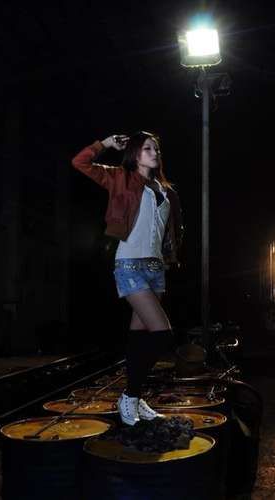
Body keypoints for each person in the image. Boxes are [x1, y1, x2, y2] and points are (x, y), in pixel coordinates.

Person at [72, 131, 183, 425]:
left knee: (140, 337)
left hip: (156, 268)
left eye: (156, 148)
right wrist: (105, 144)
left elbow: (170, 232)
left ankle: (135, 398)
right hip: (130, 264)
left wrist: (169, 258)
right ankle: (130, 396)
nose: (154, 152)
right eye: (147, 148)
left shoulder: (167, 191)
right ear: (135, 153)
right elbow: (79, 162)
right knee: (162, 334)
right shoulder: (120, 179)